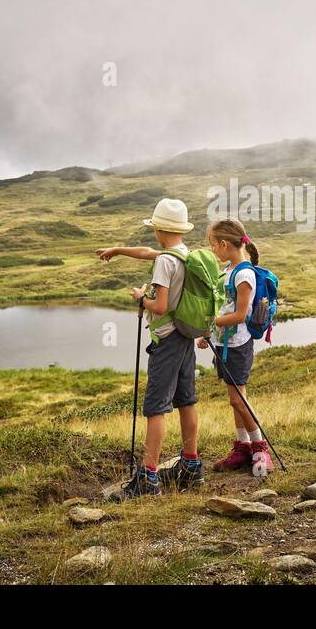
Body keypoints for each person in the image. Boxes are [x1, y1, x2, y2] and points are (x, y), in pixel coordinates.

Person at [96, 198, 205, 498]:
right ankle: (191, 466)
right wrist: (118, 250)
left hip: (167, 340)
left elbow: (159, 305)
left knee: (155, 408)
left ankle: (148, 478)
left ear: (159, 228)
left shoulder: (164, 261)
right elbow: (149, 254)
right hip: (185, 337)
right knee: (187, 401)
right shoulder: (183, 254)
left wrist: (139, 297)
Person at [198, 218, 271, 477]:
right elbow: (224, 307)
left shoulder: (244, 274)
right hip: (224, 342)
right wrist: (210, 333)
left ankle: (260, 449)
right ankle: (242, 448)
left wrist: (208, 321)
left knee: (238, 400)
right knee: (235, 401)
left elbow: (240, 315)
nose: (213, 251)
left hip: (237, 346)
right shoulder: (230, 270)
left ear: (224, 244)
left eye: (213, 246)